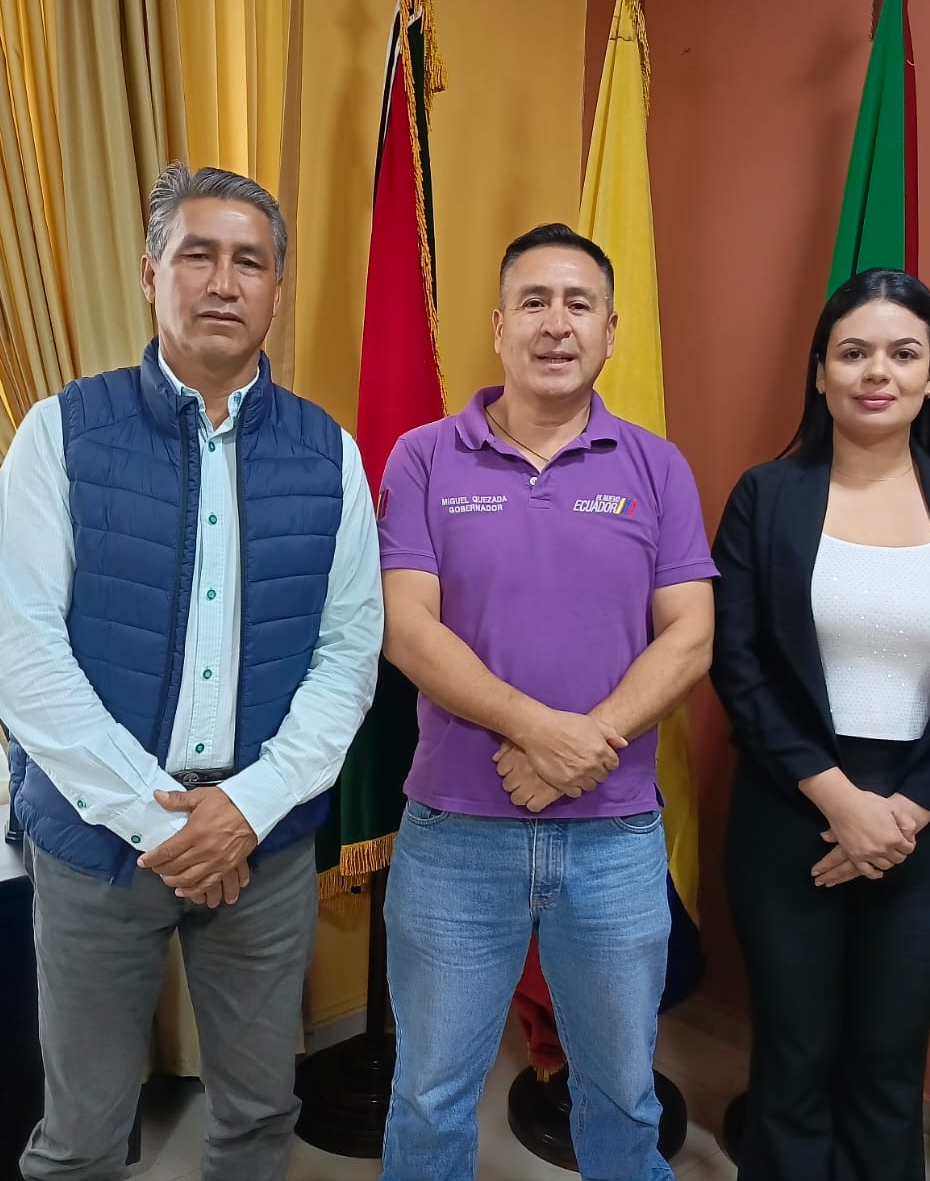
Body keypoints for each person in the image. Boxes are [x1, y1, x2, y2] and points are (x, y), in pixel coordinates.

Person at [0, 163, 382, 1181]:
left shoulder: (329, 455)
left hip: (264, 844)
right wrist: (164, 825)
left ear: (276, 290)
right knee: (80, 1137)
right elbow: (25, 658)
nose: (223, 281)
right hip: (97, 843)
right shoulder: (59, 433)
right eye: (197, 254)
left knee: (257, 1115)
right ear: (151, 274)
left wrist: (244, 809)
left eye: (250, 261)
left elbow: (347, 655)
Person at [376, 223, 716, 1181]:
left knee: (622, 1095)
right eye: (534, 302)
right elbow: (407, 628)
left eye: (579, 304)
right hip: (455, 833)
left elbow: (691, 635)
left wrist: (582, 746)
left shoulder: (657, 466)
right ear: (498, 326)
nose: (556, 324)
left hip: (614, 836)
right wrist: (537, 730)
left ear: (610, 331)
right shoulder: (423, 457)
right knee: (430, 1097)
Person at [710, 268, 930, 1181]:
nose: (876, 372)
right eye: (853, 352)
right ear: (820, 373)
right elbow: (737, 660)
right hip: (791, 806)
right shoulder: (767, 495)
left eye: (903, 353)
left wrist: (905, 812)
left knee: (889, 1070)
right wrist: (838, 799)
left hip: (928, 822)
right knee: (793, 1058)